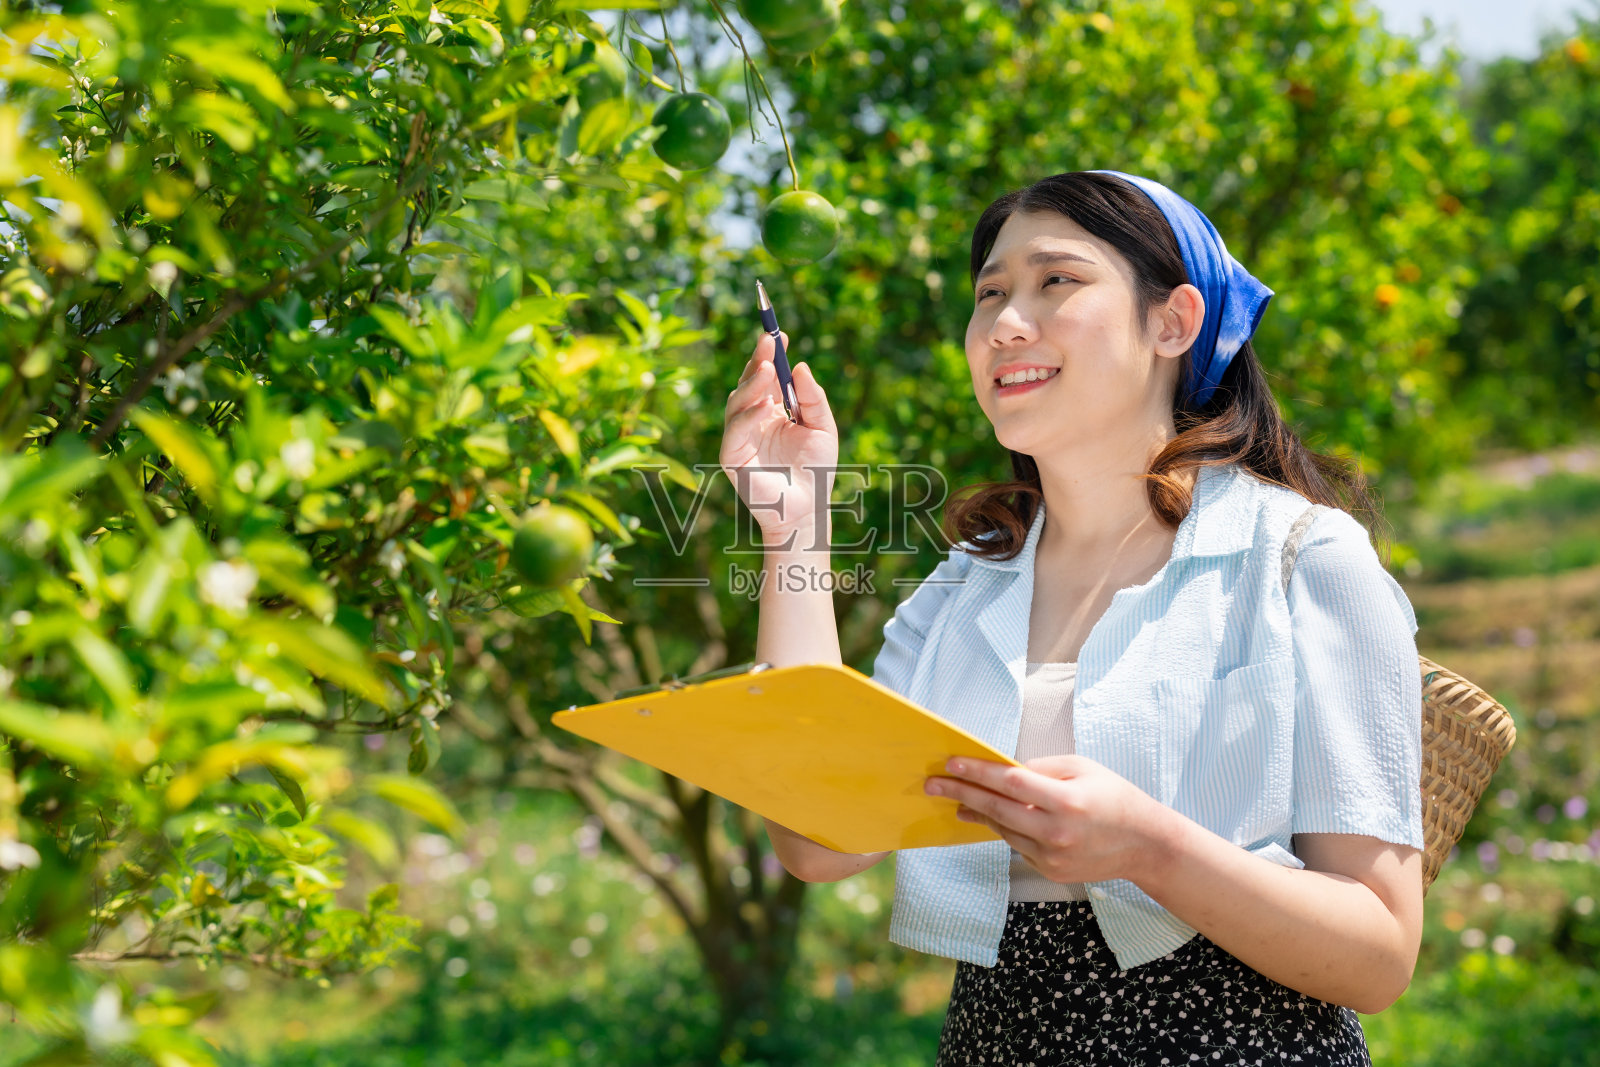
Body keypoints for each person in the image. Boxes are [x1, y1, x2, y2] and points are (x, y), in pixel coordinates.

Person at [718, 170, 1425, 1065]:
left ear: (1173, 322)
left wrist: (1148, 847)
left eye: (1057, 280)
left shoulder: (1298, 558)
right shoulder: (970, 583)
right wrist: (793, 524)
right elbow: (819, 836)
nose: (1006, 323)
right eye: (990, 294)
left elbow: (1380, 954)